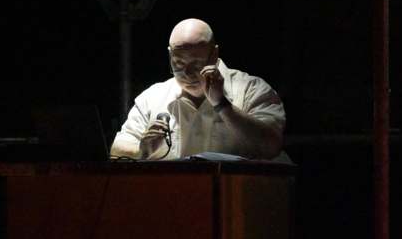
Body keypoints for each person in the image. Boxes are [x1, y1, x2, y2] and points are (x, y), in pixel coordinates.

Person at [111, 18, 286, 160]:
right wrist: (142, 151)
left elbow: (271, 146)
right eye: (178, 63)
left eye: (196, 63)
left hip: (235, 198)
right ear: (169, 55)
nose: (187, 73)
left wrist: (223, 105)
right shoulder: (153, 97)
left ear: (215, 54)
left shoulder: (251, 89)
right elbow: (117, 148)